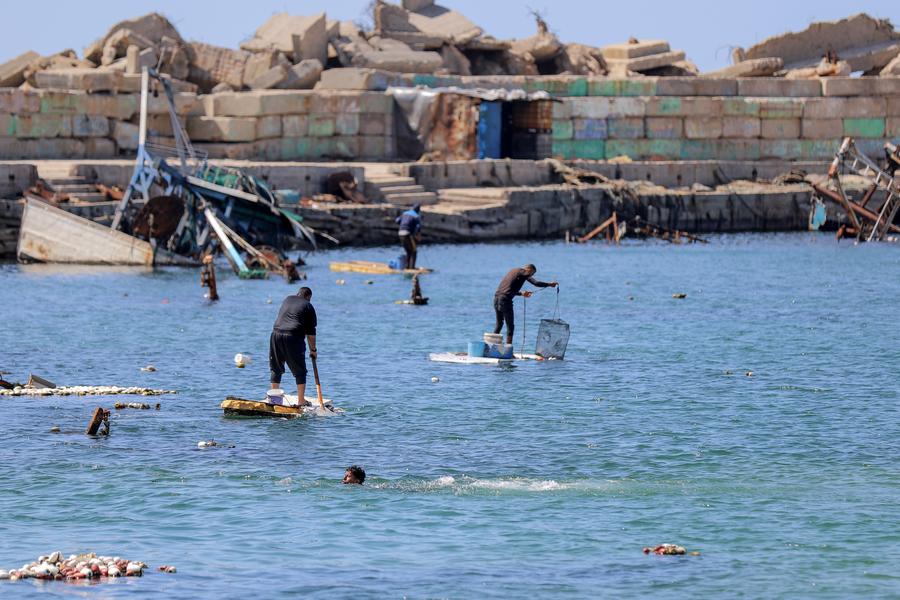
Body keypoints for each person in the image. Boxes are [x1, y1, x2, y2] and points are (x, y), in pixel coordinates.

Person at [269, 286, 317, 404]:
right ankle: (301, 401)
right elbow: (310, 334)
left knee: (276, 367)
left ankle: (274, 400)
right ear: (308, 297)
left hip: (276, 334)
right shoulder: (308, 306)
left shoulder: (287, 299)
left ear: (297, 294)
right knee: (300, 371)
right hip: (293, 336)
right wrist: (313, 350)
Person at [493, 264, 557, 344]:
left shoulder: (513, 271)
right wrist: (549, 284)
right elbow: (536, 283)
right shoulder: (524, 272)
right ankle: (508, 348)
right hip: (505, 301)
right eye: (532, 273)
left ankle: (492, 345)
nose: (531, 275)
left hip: (496, 298)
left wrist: (522, 293)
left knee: (499, 324)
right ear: (529, 269)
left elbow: (507, 290)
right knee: (510, 326)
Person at [395, 204, 422, 269]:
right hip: (408, 234)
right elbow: (418, 227)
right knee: (414, 251)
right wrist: (416, 235)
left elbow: (397, 221)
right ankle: (412, 267)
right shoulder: (416, 216)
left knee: (408, 251)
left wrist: (403, 225)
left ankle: (407, 267)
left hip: (400, 233)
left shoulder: (404, 213)